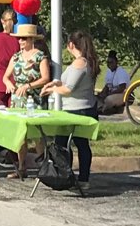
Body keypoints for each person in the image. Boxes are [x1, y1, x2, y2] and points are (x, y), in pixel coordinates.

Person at [41, 29, 102, 192]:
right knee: (80, 144)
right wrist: (55, 84)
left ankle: (68, 177)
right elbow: (68, 84)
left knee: (64, 144)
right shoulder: (88, 61)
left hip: (76, 110)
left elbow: (69, 89)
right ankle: (79, 178)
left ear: (71, 45)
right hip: (86, 108)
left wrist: (52, 90)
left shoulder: (79, 63)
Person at [3, 23, 52, 106]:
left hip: (35, 101)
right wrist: (8, 83)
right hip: (17, 100)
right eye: (19, 38)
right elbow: (5, 77)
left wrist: (28, 86)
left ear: (32, 39)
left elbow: (45, 79)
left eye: (24, 38)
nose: (20, 41)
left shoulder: (40, 57)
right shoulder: (16, 57)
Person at [99, 49, 133, 115]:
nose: (109, 64)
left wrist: (109, 93)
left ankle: (105, 110)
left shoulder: (121, 72)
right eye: (108, 62)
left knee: (108, 99)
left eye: (111, 62)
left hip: (125, 95)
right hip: (113, 94)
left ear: (116, 62)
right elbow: (107, 85)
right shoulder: (109, 72)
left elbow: (122, 88)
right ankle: (105, 108)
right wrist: (102, 94)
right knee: (98, 98)